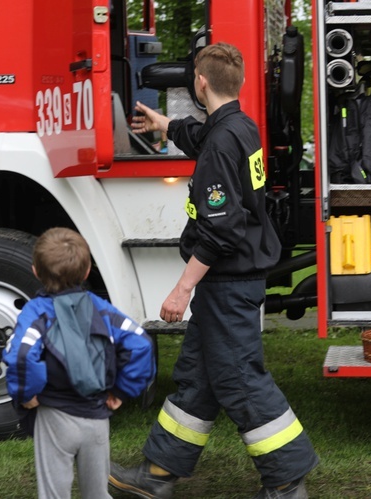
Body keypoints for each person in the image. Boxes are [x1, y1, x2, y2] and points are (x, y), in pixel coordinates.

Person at [108, 43, 319, 499]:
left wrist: (181, 290)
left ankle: (286, 481)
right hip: (233, 281)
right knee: (197, 379)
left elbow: (221, 232)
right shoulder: (240, 127)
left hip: (228, 282)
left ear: (200, 82)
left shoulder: (223, 142)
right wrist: (164, 124)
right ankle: (158, 474)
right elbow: (200, 134)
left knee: (239, 379)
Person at [3, 227, 155, 499]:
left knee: (54, 494)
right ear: (87, 272)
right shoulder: (102, 309)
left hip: (54, 417)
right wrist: (121, 390)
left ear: (36, 271)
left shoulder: (37, 312)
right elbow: (141, 342)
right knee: (96, 494)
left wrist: (27, 395)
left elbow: (22, 356)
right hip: (96, 417)